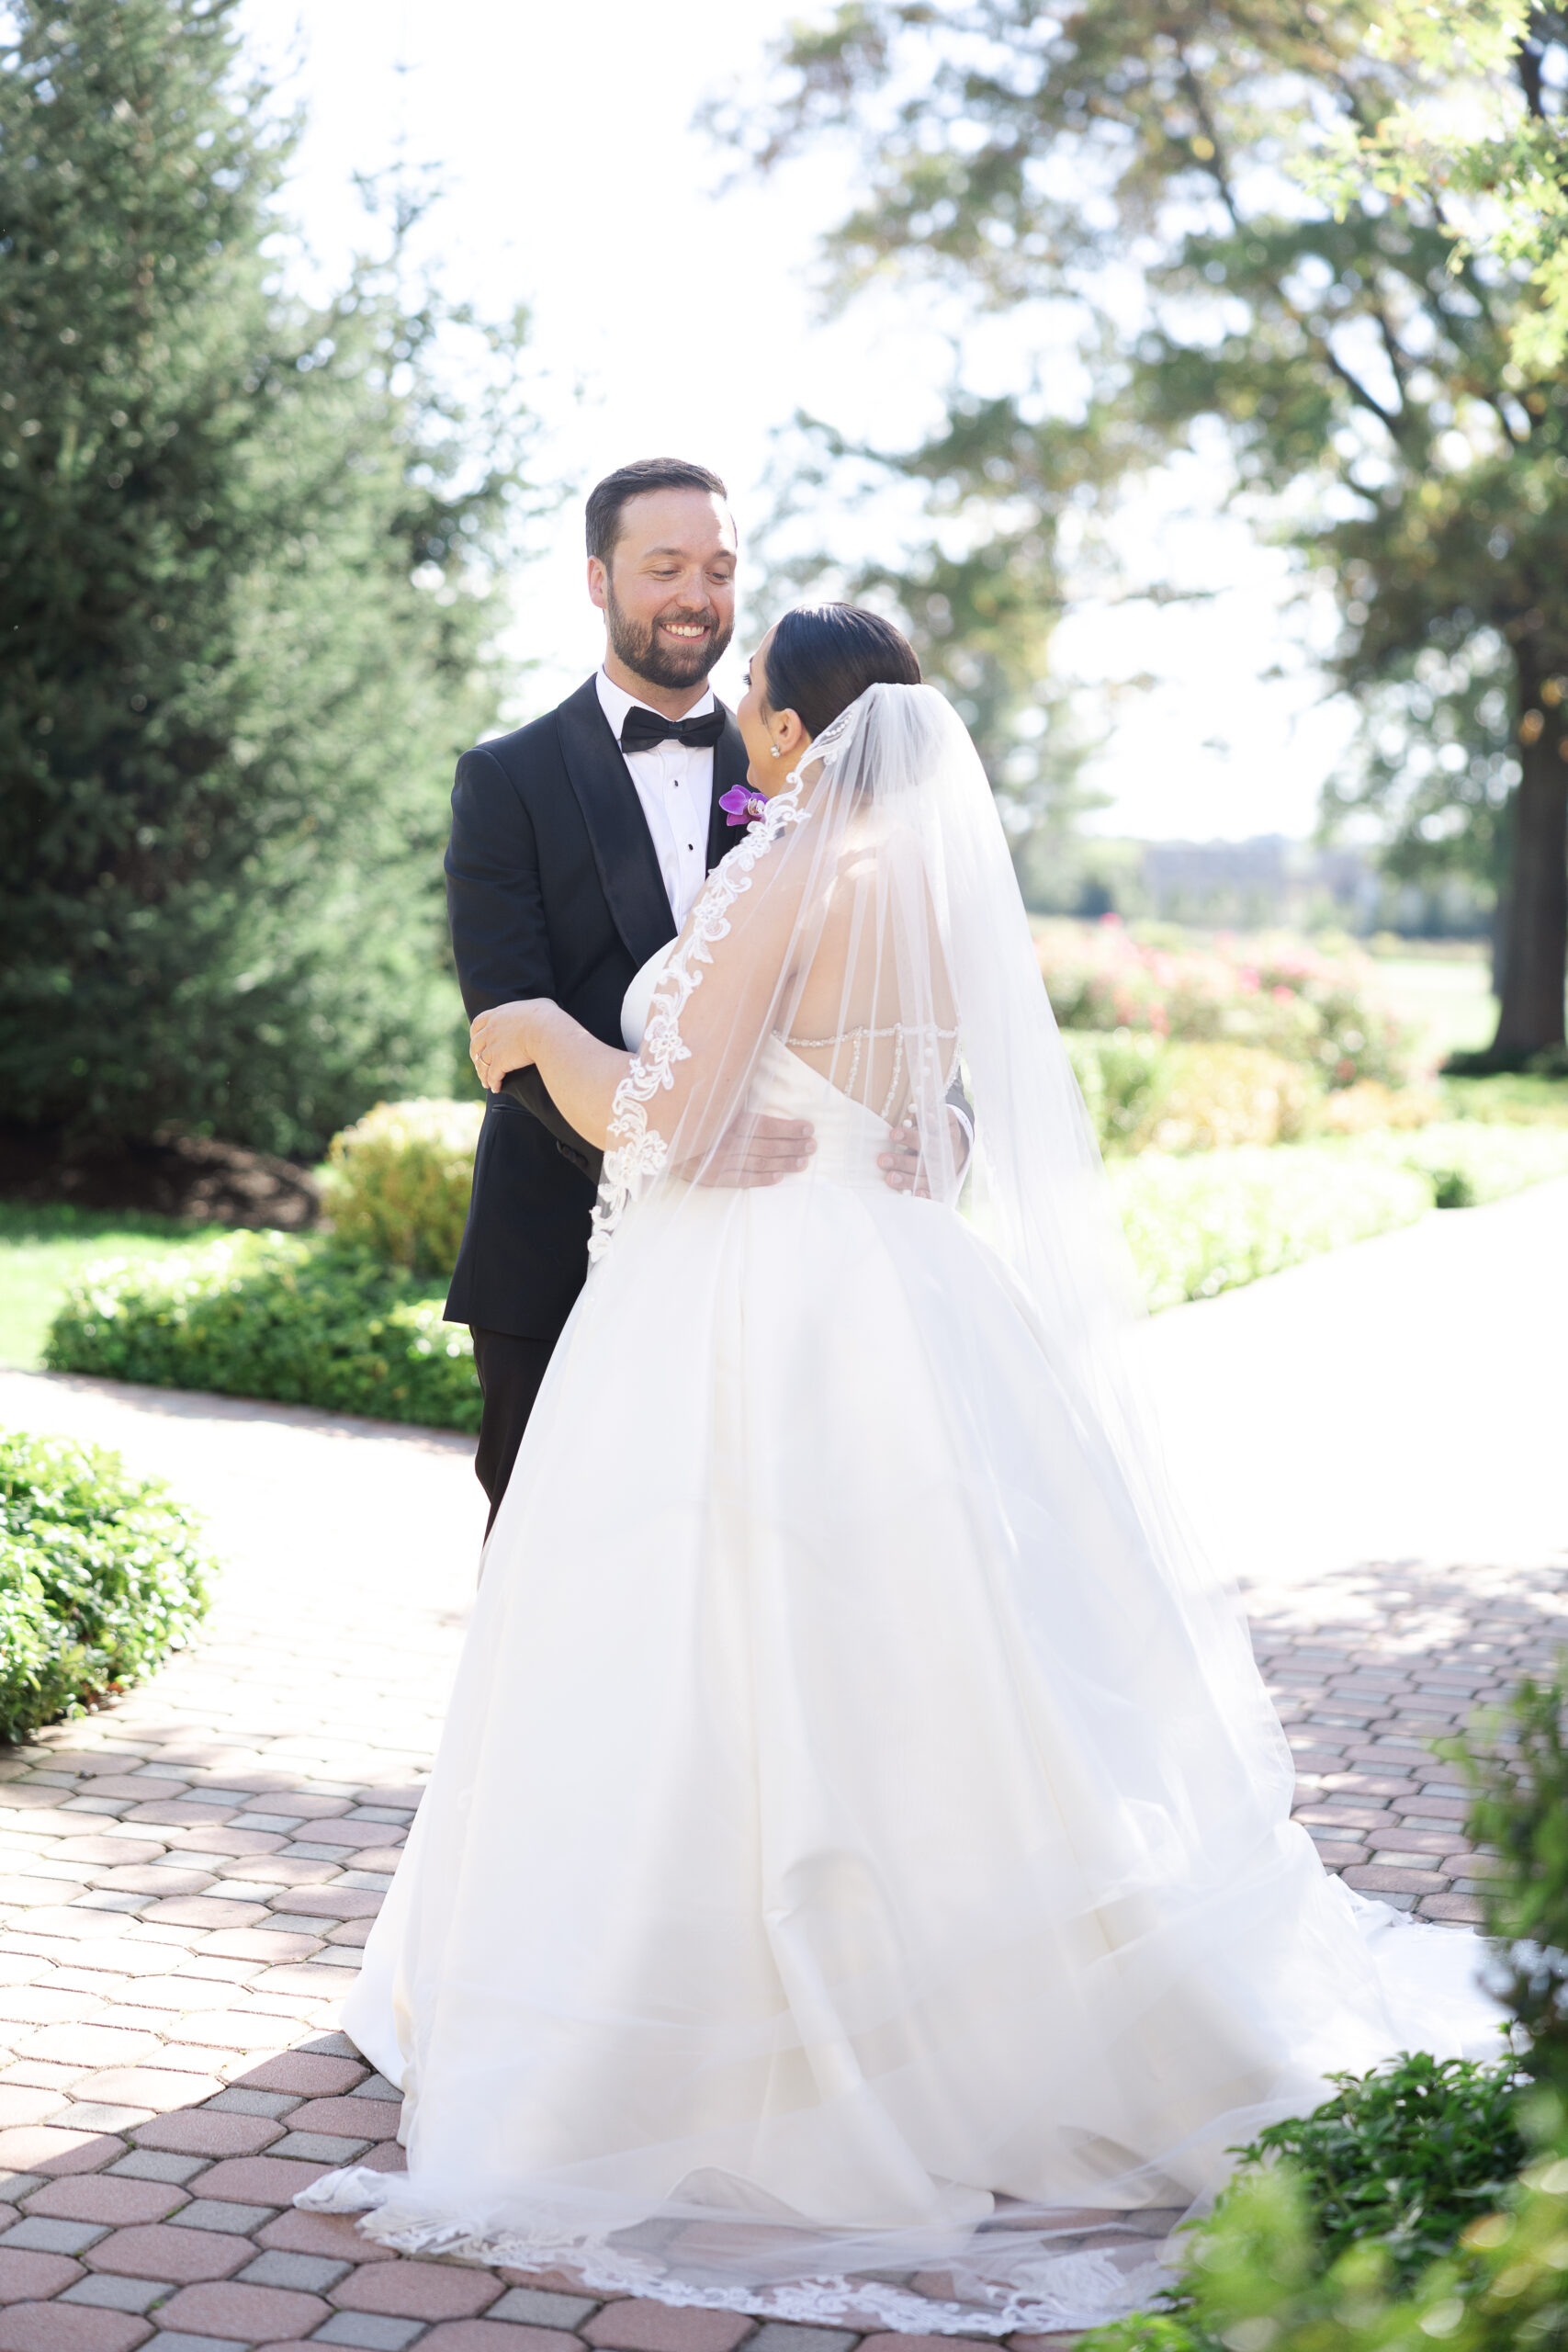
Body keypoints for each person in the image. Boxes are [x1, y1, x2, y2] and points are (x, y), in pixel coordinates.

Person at [303, 608, 1501, 2335]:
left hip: (749, 1306)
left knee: (716, 1639)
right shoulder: (934, 883)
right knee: (935, 1654)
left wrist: (526, 1039)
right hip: (903, 1295)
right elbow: (935, 1138)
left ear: (790, 733)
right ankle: (987, 1997)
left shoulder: (793, 864)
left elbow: (669, 1119)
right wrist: (828, 1125)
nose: (754, 743)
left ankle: (714, 2038)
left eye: (766, 719)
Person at [443, 460, 964, 1528]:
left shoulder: (812, 755)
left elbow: (900, 981)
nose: (697, 595)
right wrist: (678, 1150)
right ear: (598, 579)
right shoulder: (507, 780)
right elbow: (506, 1018)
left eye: (720, 569)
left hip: (794, 1274)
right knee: (555, 1572)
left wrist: (950, 1122)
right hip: (557, 1240)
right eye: (664, 566)